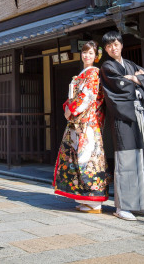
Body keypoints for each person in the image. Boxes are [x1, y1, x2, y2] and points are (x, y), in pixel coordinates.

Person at [99, 30, 144, 221]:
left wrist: (135, 78)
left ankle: (141, 204)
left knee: (142, 157)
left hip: (138, 115)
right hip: (123, 117)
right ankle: (122, 206)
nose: (113, 48)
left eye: (115, 44)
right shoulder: (107, 67)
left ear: (121, 44)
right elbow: (116, 87)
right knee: (126, 161)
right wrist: (135, 79)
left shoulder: (129, 64)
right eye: (108, 46)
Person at [53, 40, 109, 213]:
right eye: (85, 52)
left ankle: (94, 201)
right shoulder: (84, 73)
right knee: (78, 159)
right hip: (78, 122)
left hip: (86, 123)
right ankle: (85, 198)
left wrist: (71, 110)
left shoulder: (93, 73)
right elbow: (74, 96)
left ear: (96, 56)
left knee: (88, 158)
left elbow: (87, 96)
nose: (87, 55)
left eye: (91, 53)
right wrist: (67, 108)